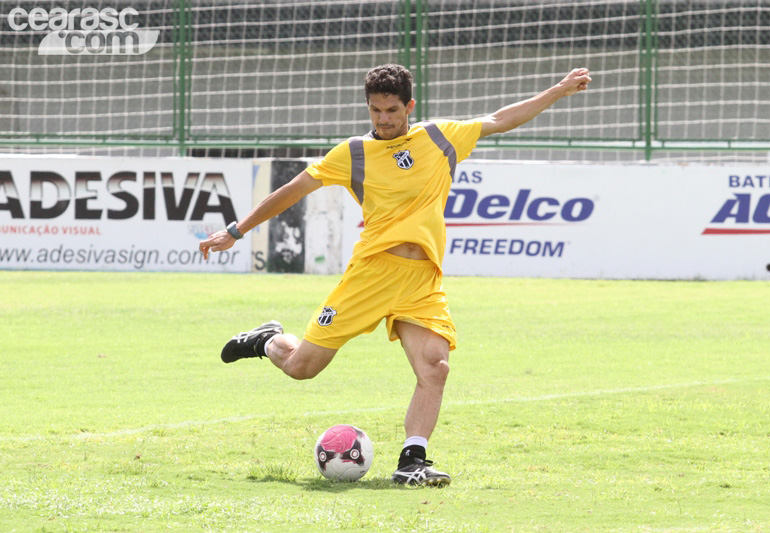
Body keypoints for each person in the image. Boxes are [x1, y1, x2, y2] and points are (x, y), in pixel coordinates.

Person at [199, 64, 591, 486]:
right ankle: (267, 339)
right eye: (374, 110)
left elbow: (499, 119)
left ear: (410, 107)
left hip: (422, 278)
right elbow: (293, 189)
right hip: (372, 274)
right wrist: (237, 231)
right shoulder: (351, 153)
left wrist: (558, 90)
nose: (383, 119)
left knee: (435, 366)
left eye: (391, 110)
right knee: (301, 368)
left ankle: (412, 461)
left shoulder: (440, 138)